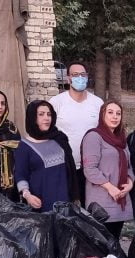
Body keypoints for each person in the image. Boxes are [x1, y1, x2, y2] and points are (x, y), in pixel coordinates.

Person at [49, 62, 103, 204]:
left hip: (91, 168)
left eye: (83, 74)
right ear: (68, 79)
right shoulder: (56, 103)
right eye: (75, 75)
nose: (80, 78)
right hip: (64, 166)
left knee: (89, 209)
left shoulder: (98, 104)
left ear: (87, 77)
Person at [81, 100, 134, 238]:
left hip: (120, 199)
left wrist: (130, 183)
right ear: (102, 115)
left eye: (118, 113)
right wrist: (110, 188)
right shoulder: (93, 136)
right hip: (102, 202)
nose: (114, 117)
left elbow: (129, 166)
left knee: (114, 243)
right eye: (110, 112)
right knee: (102, 246)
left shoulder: (121, 139)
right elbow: (90, 169)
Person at [14, 100, 80, 212]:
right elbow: (20, 175)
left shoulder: (59, 139)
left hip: (65, 204)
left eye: (49, 114)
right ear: (32, 118)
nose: (46, 118)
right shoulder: (24, 146)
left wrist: (75, 198)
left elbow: (71, 171)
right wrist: (27, 196)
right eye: (41, 114)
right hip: (41, 206)